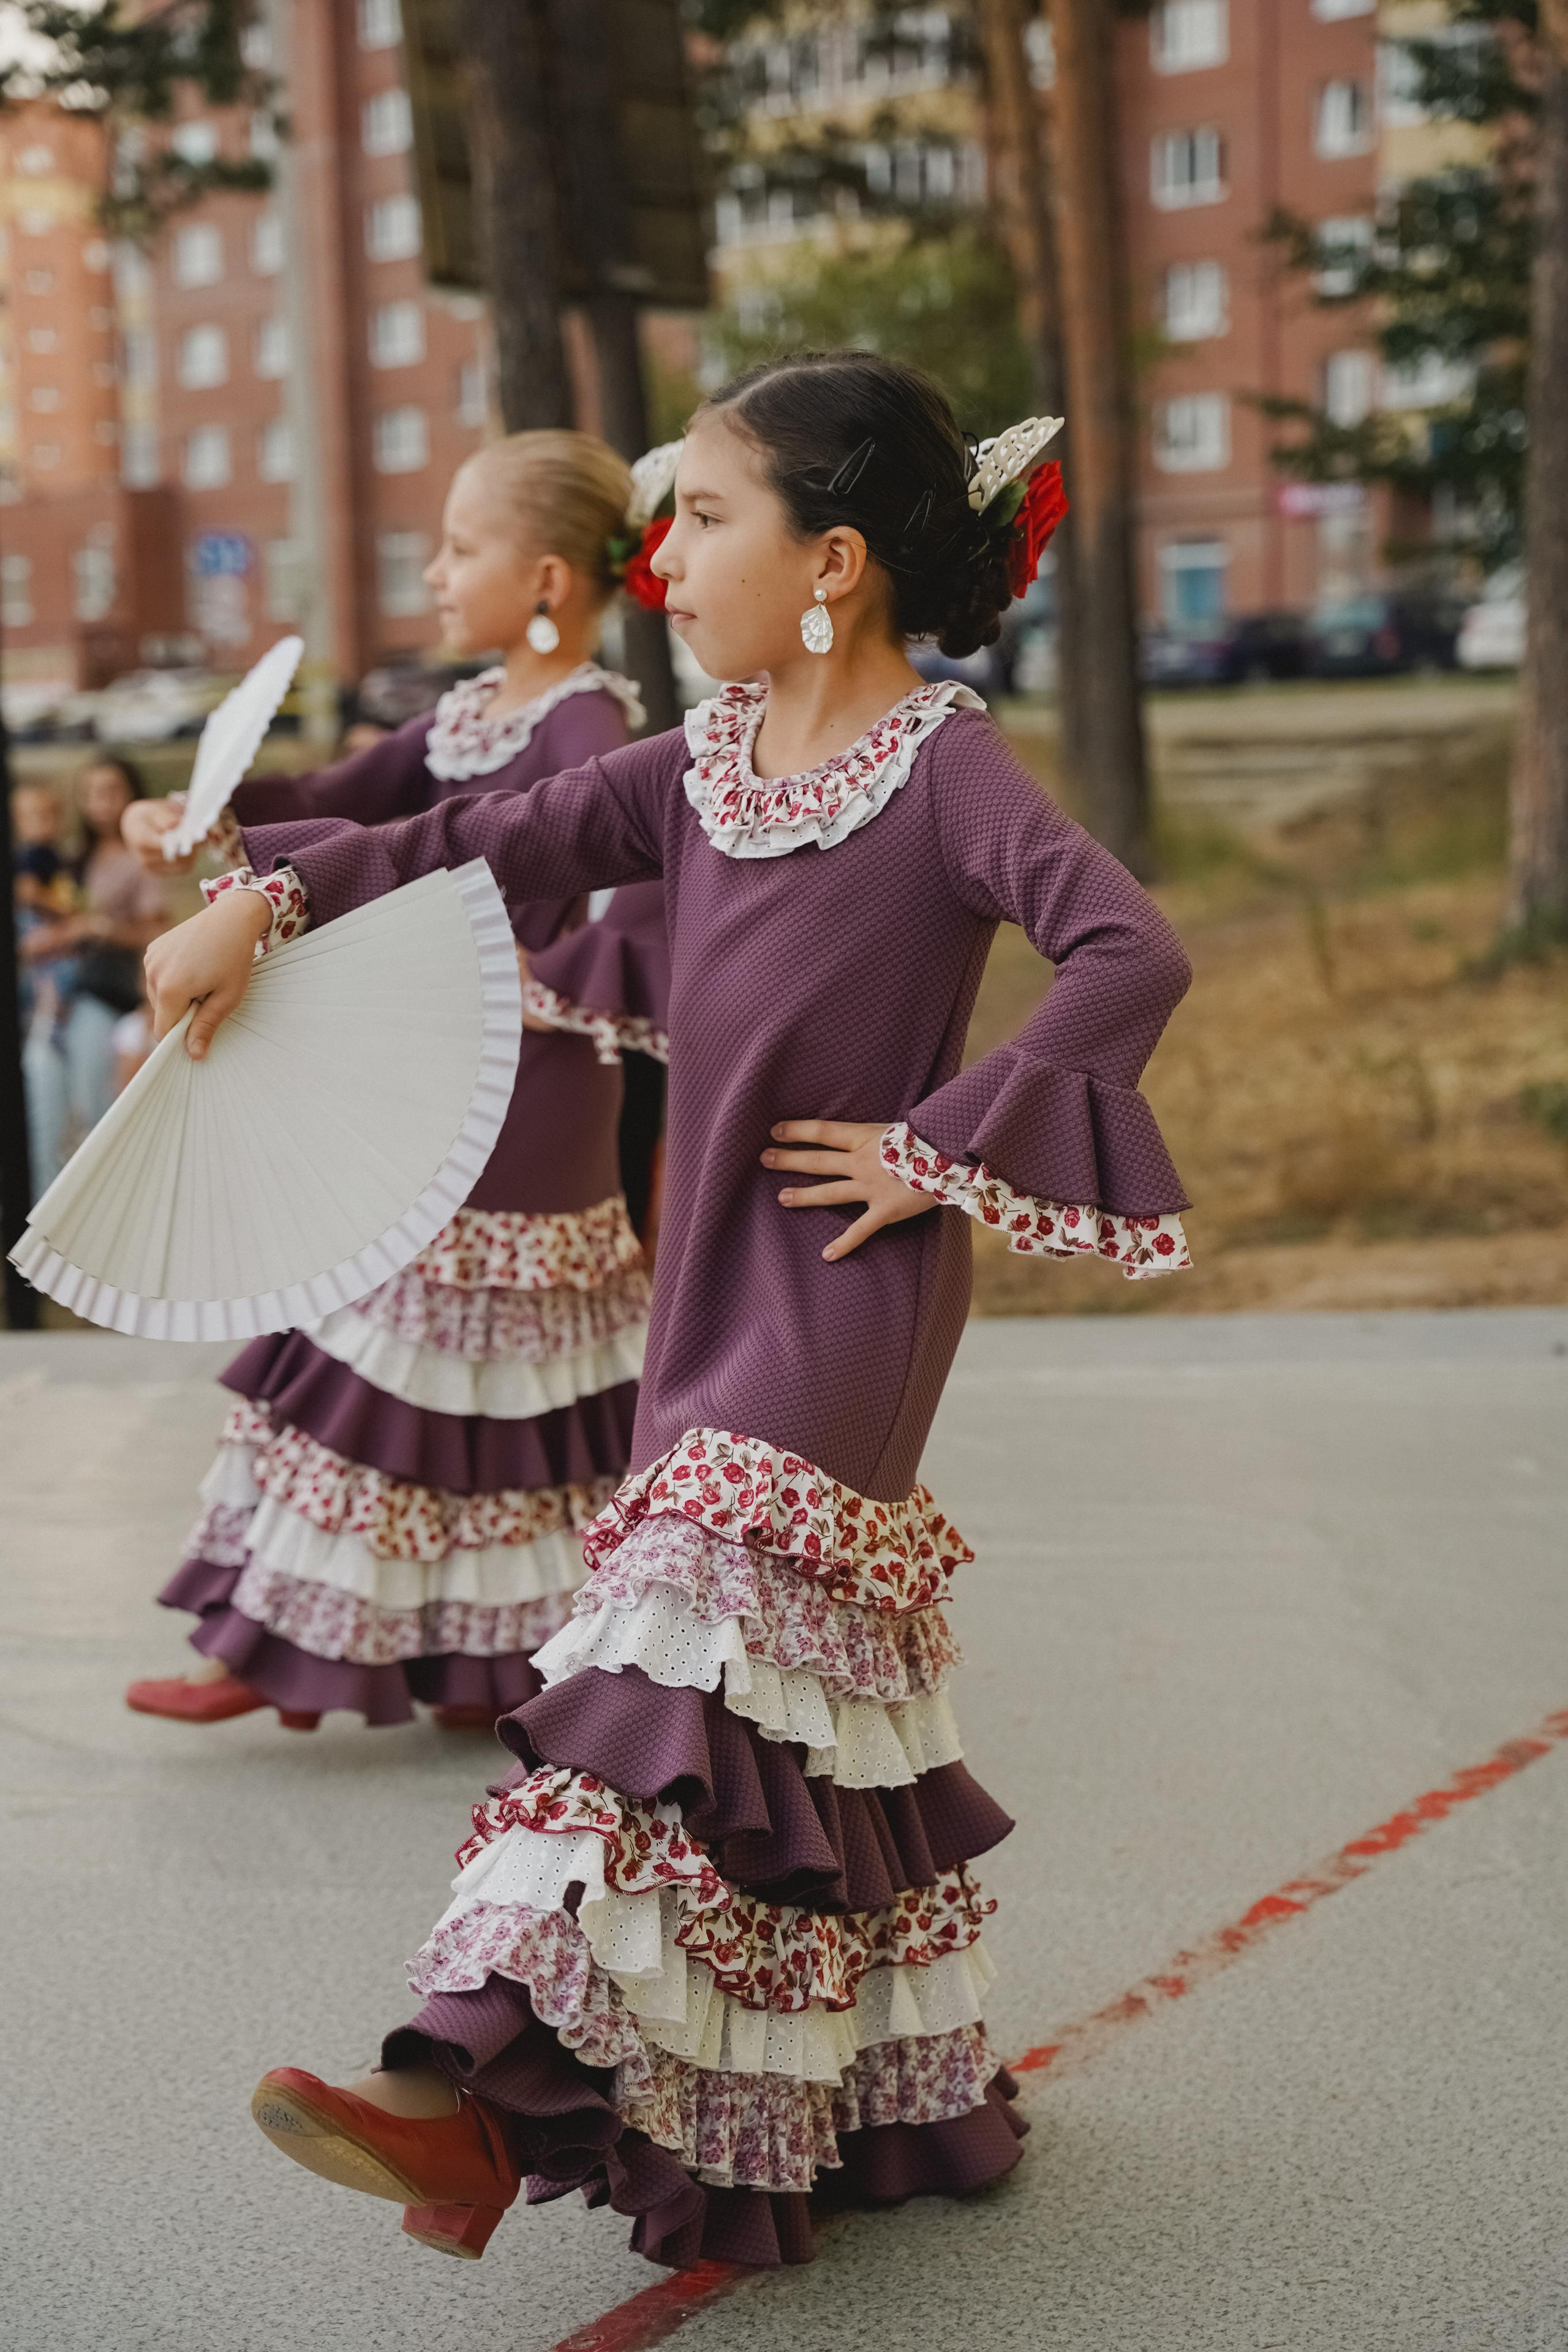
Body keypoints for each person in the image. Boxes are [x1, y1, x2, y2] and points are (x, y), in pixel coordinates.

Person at [140, 354, 1193, 2269]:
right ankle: (886, 2103)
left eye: (706, 517)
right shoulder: (701, 763)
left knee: (652, 1668)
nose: (664, 552)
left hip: (844, 1300)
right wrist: (257, 908)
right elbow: (477, 845)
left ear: (835, 561)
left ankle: (458, 2089)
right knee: (769, 1725)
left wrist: (943, 1146)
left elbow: (1130, 944)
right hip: (699, 1278)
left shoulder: (946, 767)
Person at [120, 429, 671, 1733]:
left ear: (544, 579)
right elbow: (334, 797)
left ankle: (291, 1649)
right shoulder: (471, 715)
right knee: (408, 1362)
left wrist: (533, 983)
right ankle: (435, 1657)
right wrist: (202, 812)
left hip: (528, 1094)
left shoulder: (591, 720)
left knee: (417, 1362)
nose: (430, 573)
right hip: (446, 1080)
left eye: (458, 548)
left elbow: (636, 907)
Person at [23, 758, 169, 1196]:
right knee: (47, 1108)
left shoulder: (144, 858)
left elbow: (159, 933)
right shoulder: (72, 859)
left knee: (95, 1111)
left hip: (107, 998)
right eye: (92, 793)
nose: (101, 803)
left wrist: (100, 927)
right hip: (54, 1002)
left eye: (112, 791)